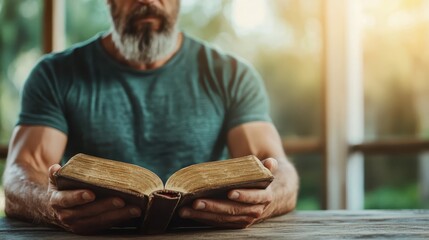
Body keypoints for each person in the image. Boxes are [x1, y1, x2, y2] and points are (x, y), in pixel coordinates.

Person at [3, 0, 299, 234]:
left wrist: (267, 199)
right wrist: (52, 206)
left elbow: (277, 169)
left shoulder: (233, 74)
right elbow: (21, 173)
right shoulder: (54, 74)